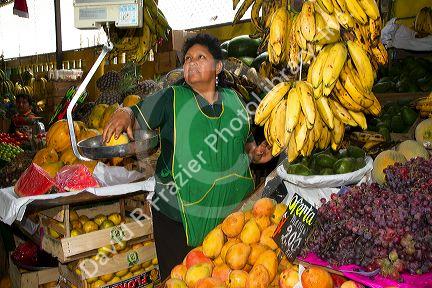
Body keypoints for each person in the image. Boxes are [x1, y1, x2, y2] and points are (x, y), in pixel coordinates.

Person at [103, 33, 272, 278]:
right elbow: (134, 113)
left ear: (218, 67)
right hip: (178, 220)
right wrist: (125, 111)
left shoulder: (235, 100)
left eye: (200, 57)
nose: (191, 62)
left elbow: (243, 147)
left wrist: (255, 155)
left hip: (232, 219)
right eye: (187, 59)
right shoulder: (171, 98)